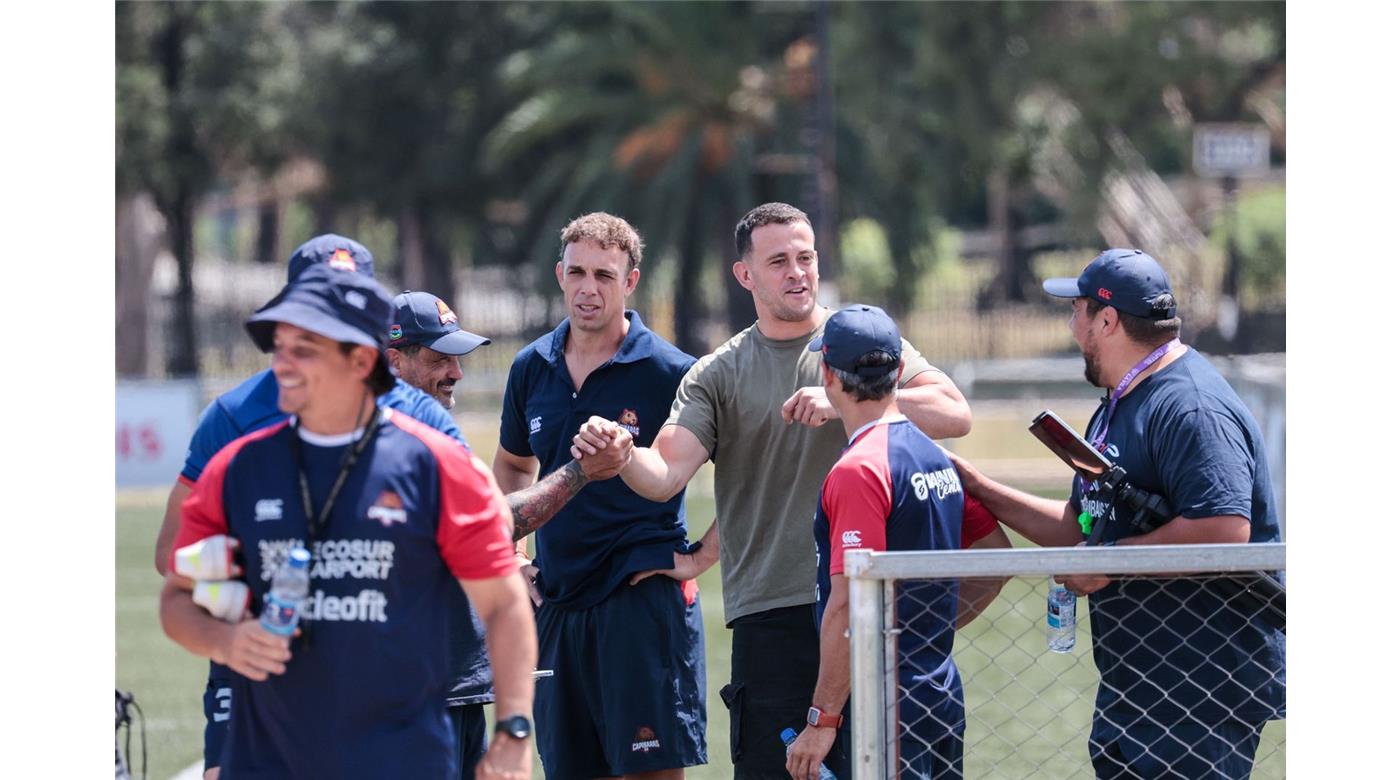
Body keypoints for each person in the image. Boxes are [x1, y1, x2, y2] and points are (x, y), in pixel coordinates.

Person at [574, 202, 1007, 778]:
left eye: (805, 258)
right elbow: (667, 476)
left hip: (869, 606)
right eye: (778, 261)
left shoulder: (856, 343)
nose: (797, 272)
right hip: (771, 616)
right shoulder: (717, 373)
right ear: (745, 274)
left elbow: (955, 413)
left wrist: (852, 397)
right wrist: (625, 454)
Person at [159, 263, 537, 779]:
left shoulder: (436, 465)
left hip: (402, 759)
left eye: (305, 349)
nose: (282, 364)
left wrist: (513, 731)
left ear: (361, 360)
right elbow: (178, 597)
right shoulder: (236, 469)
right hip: (273, 758)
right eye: (280, 346)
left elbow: (504, 605)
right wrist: (224, 640)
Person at [948, 249, 1285, 779]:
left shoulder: (1191, 405)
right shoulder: (1122, 397)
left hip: (1199, 690)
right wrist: (978, 487)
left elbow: (1223, 529)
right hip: (1139, 684)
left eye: (1076, 309)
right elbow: (1078, 526)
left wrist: (1109, 561)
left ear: (1106, 320)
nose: (1071, 325)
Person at [493, 213, 706, 779]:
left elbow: (743, 477)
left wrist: (700, 558)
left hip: (641, 604)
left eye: (605, 276)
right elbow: (513, 464)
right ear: (559, 274)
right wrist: (512, 555)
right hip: (555, 603)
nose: (588, 289)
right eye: (578, 272)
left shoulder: (671, 371)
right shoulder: (530, 367)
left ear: (630, 281)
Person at [784, 304, 977, 780]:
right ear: (898, 371)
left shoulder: (859, 470)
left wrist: (822, 720)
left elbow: (848, 605)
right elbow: (996, 557)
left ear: (828, 375)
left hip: (885, 701)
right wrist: (924, 631)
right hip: (939, 688)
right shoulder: (936, 457)